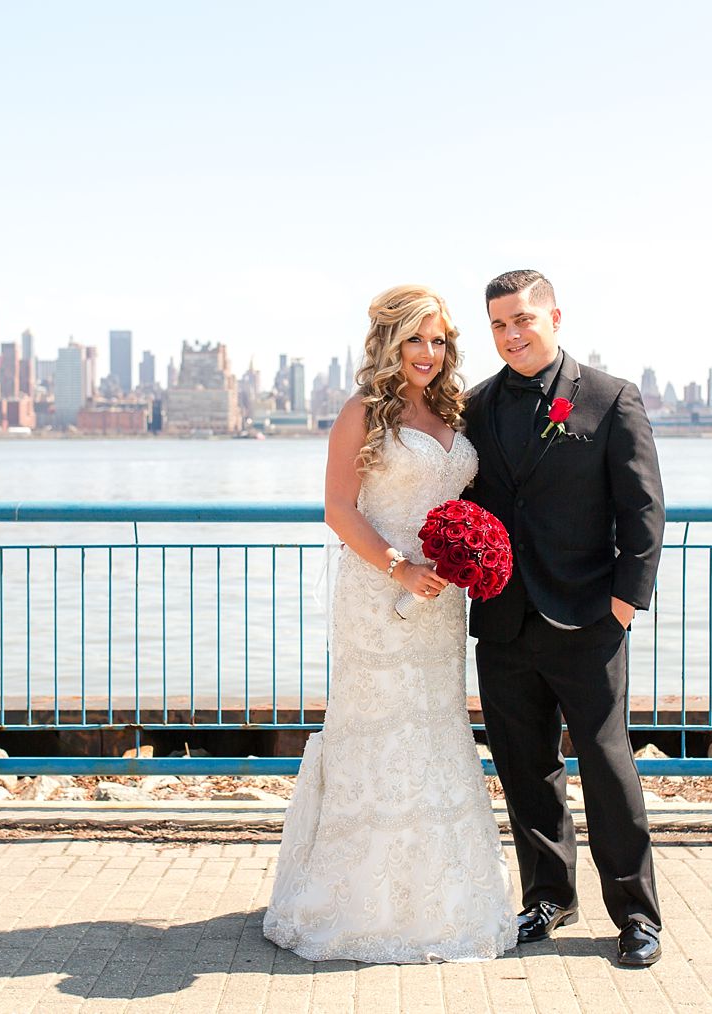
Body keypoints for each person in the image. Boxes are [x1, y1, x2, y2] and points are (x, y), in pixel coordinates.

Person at [264, 284, 517, 963]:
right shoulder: (361, 414)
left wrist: (469, 552)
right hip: (380, 591)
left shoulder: (451, 411)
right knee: (377, 727)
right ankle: (356, 901)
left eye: (438, 340)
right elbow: (339, 510)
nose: (428, 353)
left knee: (436, 727)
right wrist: (398, 566)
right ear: (389, 343)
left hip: (440, 598)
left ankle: (445, 899)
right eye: (415, 339)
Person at [460, 269, 666, 967]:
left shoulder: (611, 399)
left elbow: (642, 508)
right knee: (525, 769)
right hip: (504, 621)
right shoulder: (477, 406)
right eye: (498, 325)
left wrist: (625, 600)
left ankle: (636, 914)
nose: (511, 334)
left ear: (553, 317)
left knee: (608, 766)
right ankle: (548, 898)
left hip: (588, 618)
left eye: (522, 319)